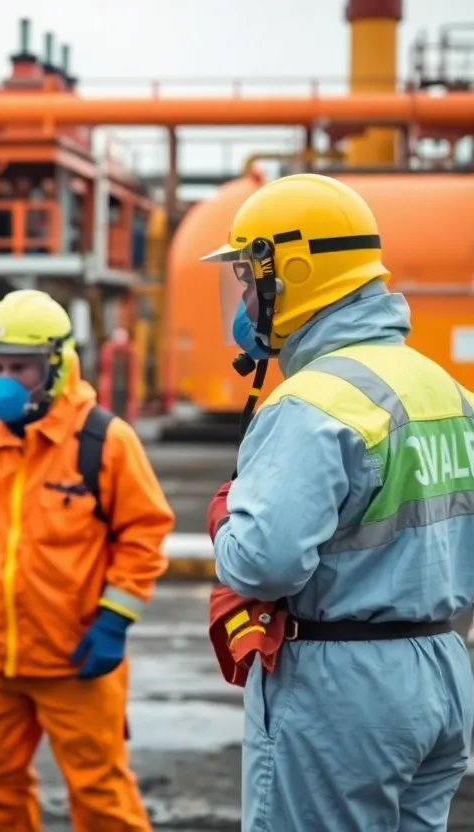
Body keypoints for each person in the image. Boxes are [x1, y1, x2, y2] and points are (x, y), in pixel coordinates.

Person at [202, 172, 474, 831]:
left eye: (247, 275)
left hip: (340, 688)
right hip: (440, 666)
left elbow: (263, 565)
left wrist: (225, 521)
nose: (243, 296)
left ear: (288, 272)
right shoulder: (443, 388)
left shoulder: (310, 403)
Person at [0, 288, 174, 832]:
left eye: (21, 368)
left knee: (102, 796)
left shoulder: (105, 443)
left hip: (75, 659)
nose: (5, 380)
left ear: (56, 366)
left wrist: (113, 621)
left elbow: (145, 533)